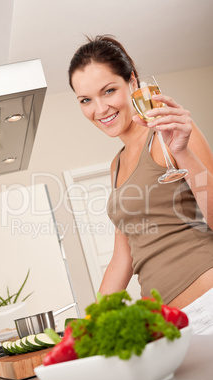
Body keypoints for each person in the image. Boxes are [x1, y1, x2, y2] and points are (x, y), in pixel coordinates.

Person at [68, 35, 213, 335]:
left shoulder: (170, 134)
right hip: (166, 326)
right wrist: (90, 327)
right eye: (86, 100)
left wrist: (182, 151)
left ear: (132, 82)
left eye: (108, 91)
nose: (100, 109)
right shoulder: (117, 165)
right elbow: (123, 256)